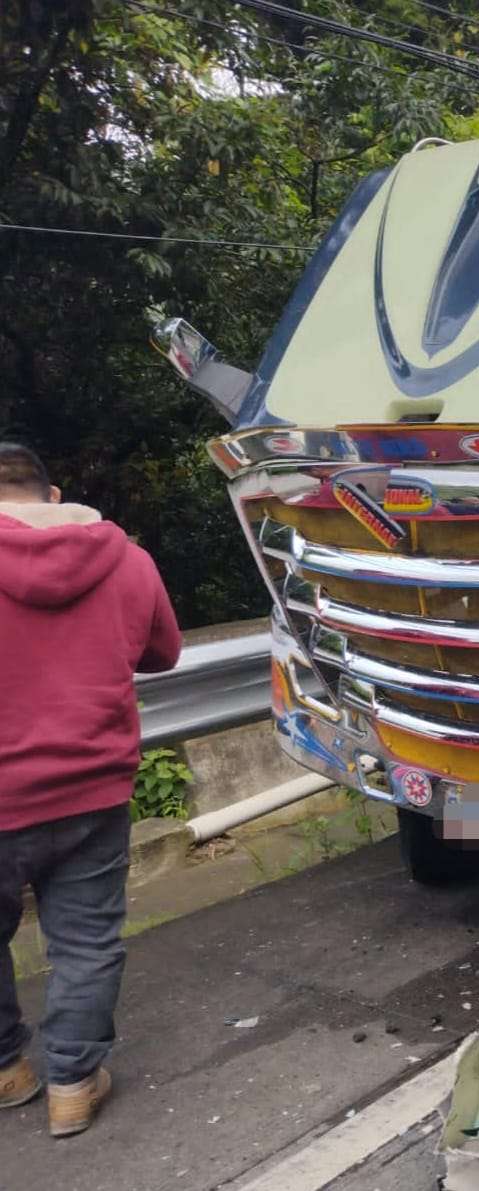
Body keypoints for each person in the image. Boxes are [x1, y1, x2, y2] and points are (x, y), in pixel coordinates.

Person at [0, 443, 181, 1138]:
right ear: (51, 496)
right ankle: (73, 1083)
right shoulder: (126, 559)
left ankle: (9, 1071)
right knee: (84, 942)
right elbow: (163, 652)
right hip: (91, 788)